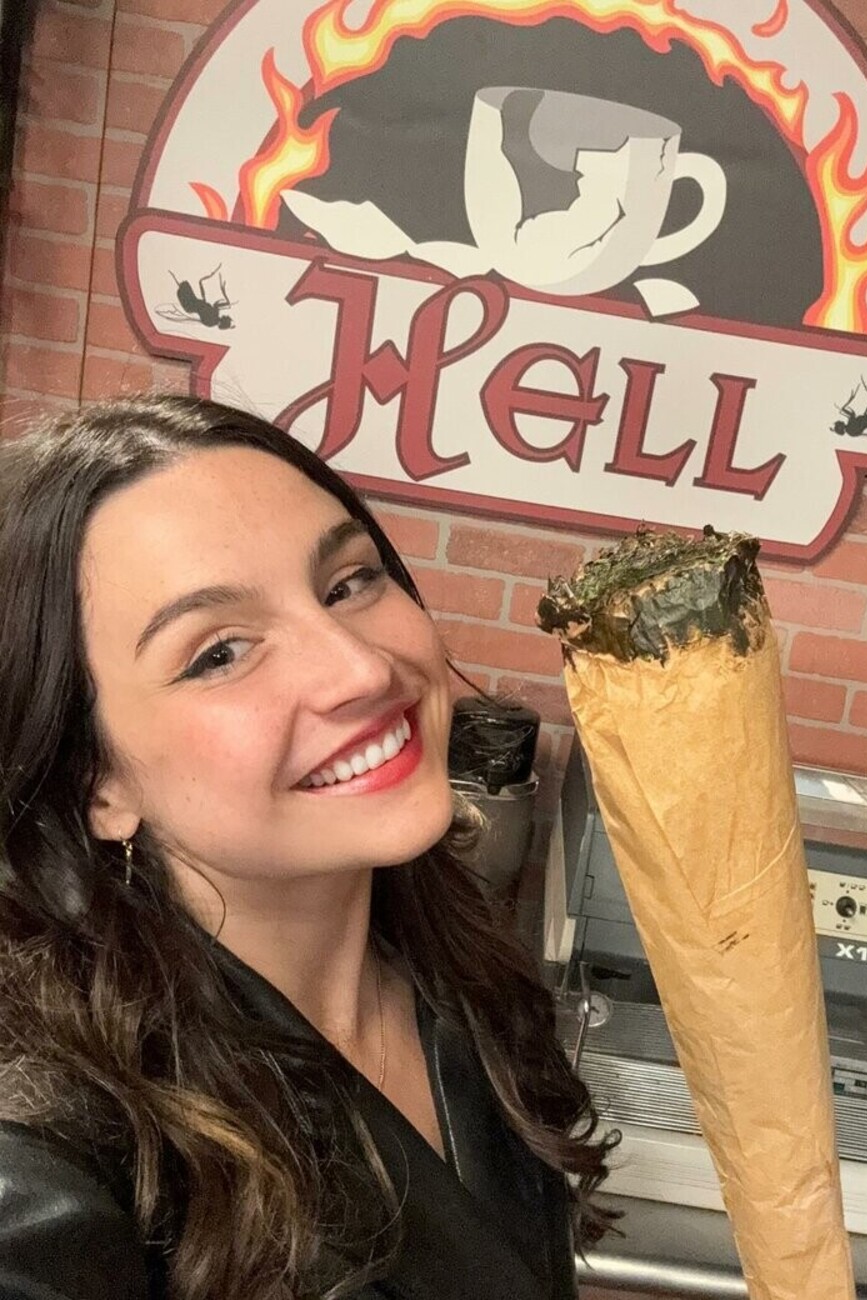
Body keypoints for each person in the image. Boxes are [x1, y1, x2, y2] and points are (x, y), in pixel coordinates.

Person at [0, 395, 616, 1300]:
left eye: (349, 583)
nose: (362, 669)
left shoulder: (459, 973)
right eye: (220, 653)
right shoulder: (56, 1158)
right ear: (97, 783)